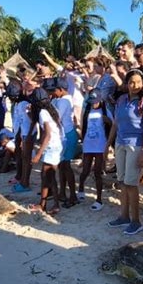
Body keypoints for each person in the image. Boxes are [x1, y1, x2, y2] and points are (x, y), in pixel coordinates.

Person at [105, 68, 143, 234]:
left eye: (139, 82)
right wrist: (108, 144)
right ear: (126, 84)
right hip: (120, 143)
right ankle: (124, 216)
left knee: (131, 183)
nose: (136, 85)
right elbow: (115, 123)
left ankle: (136, 221)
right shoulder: (121, 100)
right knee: (121, 181)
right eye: (132, 82)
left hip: (137, 145)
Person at [28, 89, 63, 215]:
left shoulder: (42, 112)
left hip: (51, 146)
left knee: (48, 177)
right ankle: (44, 204)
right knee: (48, 176)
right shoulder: (51, 109)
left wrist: (38, 153)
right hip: (56, 144)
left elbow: (47, 134)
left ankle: (52, 204)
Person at [78, 89, 112, 210]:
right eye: (91, 101)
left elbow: (112, 125)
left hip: (100, 145)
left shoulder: (105, 111)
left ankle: (99, 199)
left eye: (95, 101)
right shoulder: (87, 111)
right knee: (85, 170)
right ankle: (81, 188)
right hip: (88, 144)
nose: (93, 104)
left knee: (98, 172)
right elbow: (83, 127)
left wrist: (107, 121)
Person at [51, 77, 79, 208]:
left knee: (66, 167)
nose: (53, 93)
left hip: (67, 135)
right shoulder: (63, 99)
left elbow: (57, 118)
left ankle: (73, 195)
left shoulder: (63, 101)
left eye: (54, 90)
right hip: (65, 133)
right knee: (62, 166)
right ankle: (62, 192)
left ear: (61, 90)